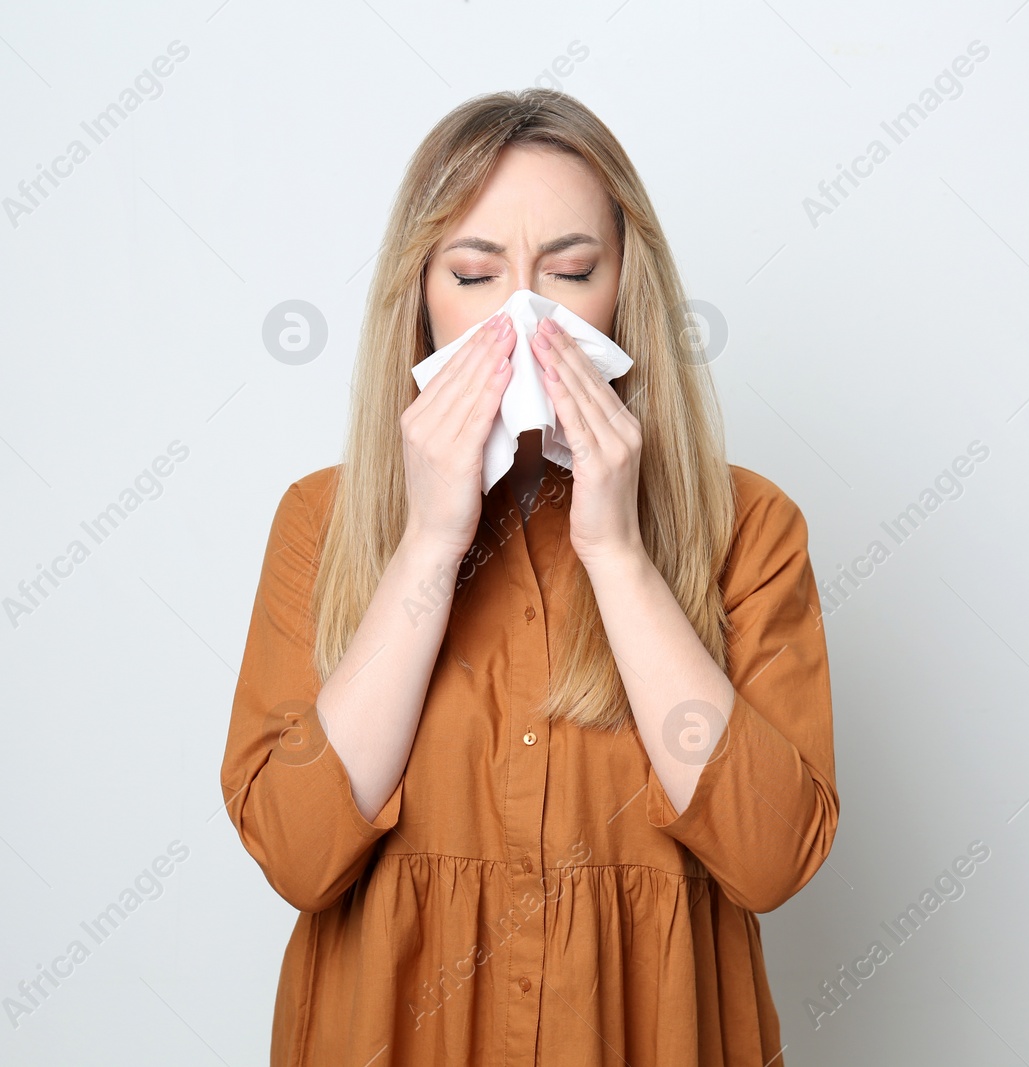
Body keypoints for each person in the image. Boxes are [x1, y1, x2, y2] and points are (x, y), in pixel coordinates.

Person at [221, 88, 838, 1067]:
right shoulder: (321, 523)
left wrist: (619, 553)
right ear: (420, 299)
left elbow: (769, 859)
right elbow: (298, 856)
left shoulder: (748, 528)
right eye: (475, 273)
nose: (523, 315)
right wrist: (427, 541)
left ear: (625, 287)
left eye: (572, 269)